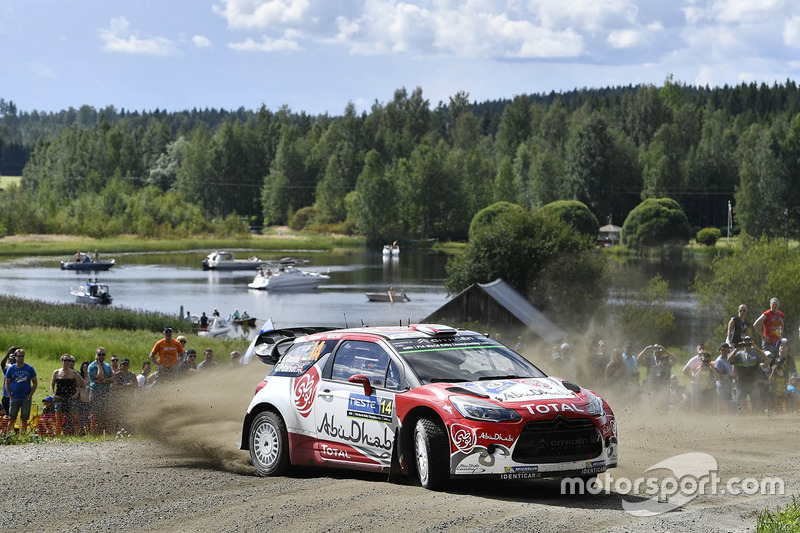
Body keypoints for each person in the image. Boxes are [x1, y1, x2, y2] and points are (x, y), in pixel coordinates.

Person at [730, 335, 768, 414]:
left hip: (753, 383)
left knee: (756, 404)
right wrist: (736, 349)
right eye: (745, 342)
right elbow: (729, 359)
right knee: (740, 404)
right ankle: (741, 419)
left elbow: (766, 359)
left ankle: (755, 419)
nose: (747, 344)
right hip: (741, 384)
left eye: (748, 342)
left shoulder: (756, 353)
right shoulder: (738, 354)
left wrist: (757, 348)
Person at [4, 348, 38, 435]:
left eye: (22, 356)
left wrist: (30, 395)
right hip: (14, 397)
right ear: (15, 357)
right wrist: (10, 396)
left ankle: (22, 436)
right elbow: (7, 383)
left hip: (26, 397)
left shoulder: (29, 368)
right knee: (12, 418)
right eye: (19, 356)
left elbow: (35, 383)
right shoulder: (11, 369)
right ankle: (9, 436)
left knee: (24, 418)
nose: (21, 358)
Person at [50, 354, 84, 436]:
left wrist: (76, 394)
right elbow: (52, 385)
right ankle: (57, 436)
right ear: (61, 361)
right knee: (59, 419)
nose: (67, 362)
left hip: (71, 397)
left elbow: (79, 386)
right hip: (60, 398)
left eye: (68, 360)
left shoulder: (74, 373)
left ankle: (77, 435)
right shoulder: (56, 372)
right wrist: (54, 395)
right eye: (65, 360)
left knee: (75, 418)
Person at [88, 348, 113, 433]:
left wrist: (105, 381)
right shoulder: (92, 366)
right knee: (95, 413)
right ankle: (94, 433)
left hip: (105, 392)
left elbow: (112, 378)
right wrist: (98, 364)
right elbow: (100, 376)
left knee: (104, 412)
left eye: (103, 354)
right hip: (95, 392)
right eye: (99, 355)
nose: (101, 356)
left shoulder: (107, 366)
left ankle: (104, 432)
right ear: (96, 355)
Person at [690, 347, 719, 412]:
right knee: (701, 410)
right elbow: (695, 379)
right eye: (704, 361)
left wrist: (713, 369)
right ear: (701, 360)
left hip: (711, 391)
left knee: (711, 410)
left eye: (707, 361)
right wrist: (700, 369)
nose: (706, 363)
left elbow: (718, 378)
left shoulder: (713, 368)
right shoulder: (699, 368)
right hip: (701, 392)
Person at [714, 343, 736, 413]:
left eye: (726, 349)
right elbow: (717, 376)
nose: (724, 351)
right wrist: (730, 376)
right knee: (722, 405)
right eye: (722, 349)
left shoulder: (728, 359)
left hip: (728, 386)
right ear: (720, 351)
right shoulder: (719, 361)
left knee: (727, 405)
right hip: (722, 387)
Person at [2, 346, 18, 415]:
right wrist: (8, 353)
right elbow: (2, 363)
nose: (12, 359)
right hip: (6, 395)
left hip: (17, 395)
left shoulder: (20, 367)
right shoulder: (7, 367)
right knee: (7, 414)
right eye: (11, 357)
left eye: (14, 357)